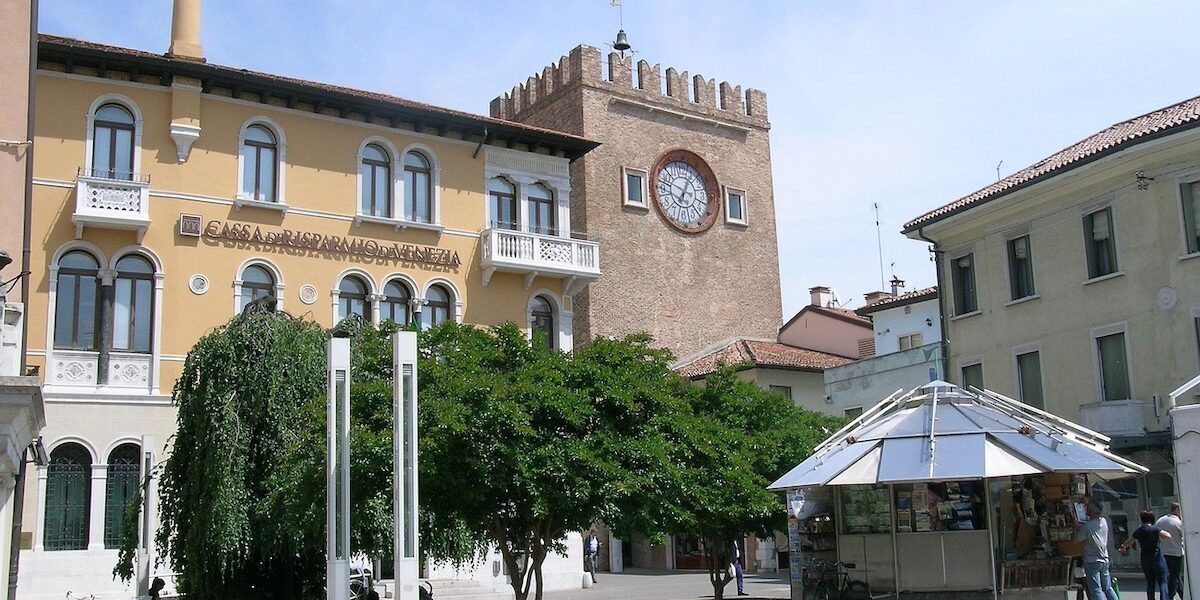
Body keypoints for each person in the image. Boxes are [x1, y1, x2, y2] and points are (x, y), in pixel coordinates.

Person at [1121, 509, 1172, 600]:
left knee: (1150, 583)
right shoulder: (1155, 529)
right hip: (1157, 558)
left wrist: (1123, 547)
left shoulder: (1139, 531)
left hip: (1145, 559)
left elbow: (1129, 542)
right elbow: (1167, 536)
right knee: (1163, 582)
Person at [1074, 503, 1120, 600]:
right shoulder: (1104, 521)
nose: (1087, 511)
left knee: (1096, 590)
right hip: (1104, 559)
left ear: (1093, 511)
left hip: (1092, 560)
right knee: (1108, 588)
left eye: (1089, 509)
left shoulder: (1087, 526)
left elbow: (1077, 539)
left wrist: (1078, 528)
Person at [1156, 502, 1184, 599]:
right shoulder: (1178, 523)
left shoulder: (1160, 520)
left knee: (1168, 576)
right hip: (1176, 553)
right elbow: (1184, 536)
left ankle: (1181, 593)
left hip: (1163, 552)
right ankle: (1170, 595)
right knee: (1174, 576)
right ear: (1176, 510)